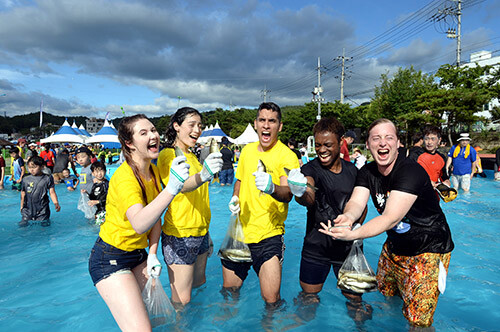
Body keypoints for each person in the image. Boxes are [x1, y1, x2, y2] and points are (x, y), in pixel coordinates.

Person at [320, 118, 454, 328]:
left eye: (388, 137)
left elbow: (390, 218)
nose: (383, 143)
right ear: (368, 145)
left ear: (398, 143)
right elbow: (356, 201)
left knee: (418, 321)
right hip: (394, 248)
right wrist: (347, 217)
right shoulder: (368, 172)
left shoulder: (410, 171)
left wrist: (353, 235)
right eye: (376, 138)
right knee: (388, 298)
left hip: (429, 250)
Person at [88, 114, 190, 331]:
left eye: (153, 130)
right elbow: (139, 224)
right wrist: (172, 188)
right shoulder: (125, 178)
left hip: (138, 255)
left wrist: (152, 254)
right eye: (143, 133)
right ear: (129, 143)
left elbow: (155, 219)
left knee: (162, 320)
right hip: (110, 259)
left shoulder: (151, 171)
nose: (153, 135)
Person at [286, 117, 371, 323]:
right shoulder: (311, 169)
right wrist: (299, 191)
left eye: (328, 145)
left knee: (356, 304)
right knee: (308, 300)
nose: (322, 150)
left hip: (347, 249)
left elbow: (362, 205)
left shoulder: (353, 171)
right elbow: (309, 196)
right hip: (316, 247)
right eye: (318, 145)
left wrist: (357, 225)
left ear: (341, 141)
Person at [224, 102, 299, 306]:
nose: (266, 126)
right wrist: (235, 198)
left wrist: (272, 187)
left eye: (272, 121)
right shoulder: (247, 151)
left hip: (269, 234)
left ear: (280, 126)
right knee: (229, 292)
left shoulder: (287, 156)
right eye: (262, 120)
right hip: (239, 231)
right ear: (256, 123)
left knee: (271, 300)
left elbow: (288, 193)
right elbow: (239, 181)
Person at [157, 107, 223, 306]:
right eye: (192, 124)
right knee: (181, 300)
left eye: (200, 126)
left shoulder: (193, 156)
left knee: (199, 284)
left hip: (200, 231)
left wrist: (206, 233)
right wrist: (203, 175)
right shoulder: (168, 155)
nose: (197, 130)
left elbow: (199, 198)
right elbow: (181, 186)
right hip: (180, 233)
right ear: (176, 126)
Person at [19, 156, 60, 227]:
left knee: (44, 225)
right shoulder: (25, 179)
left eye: (34, 167)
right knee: (23, 225)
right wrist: (21, 206)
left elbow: (52, 192)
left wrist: (56, 203)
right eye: (29, 167)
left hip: (42, 209)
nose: (31, 170)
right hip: (27, 209)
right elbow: (23, 193)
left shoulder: (47, 178)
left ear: (42, 167)